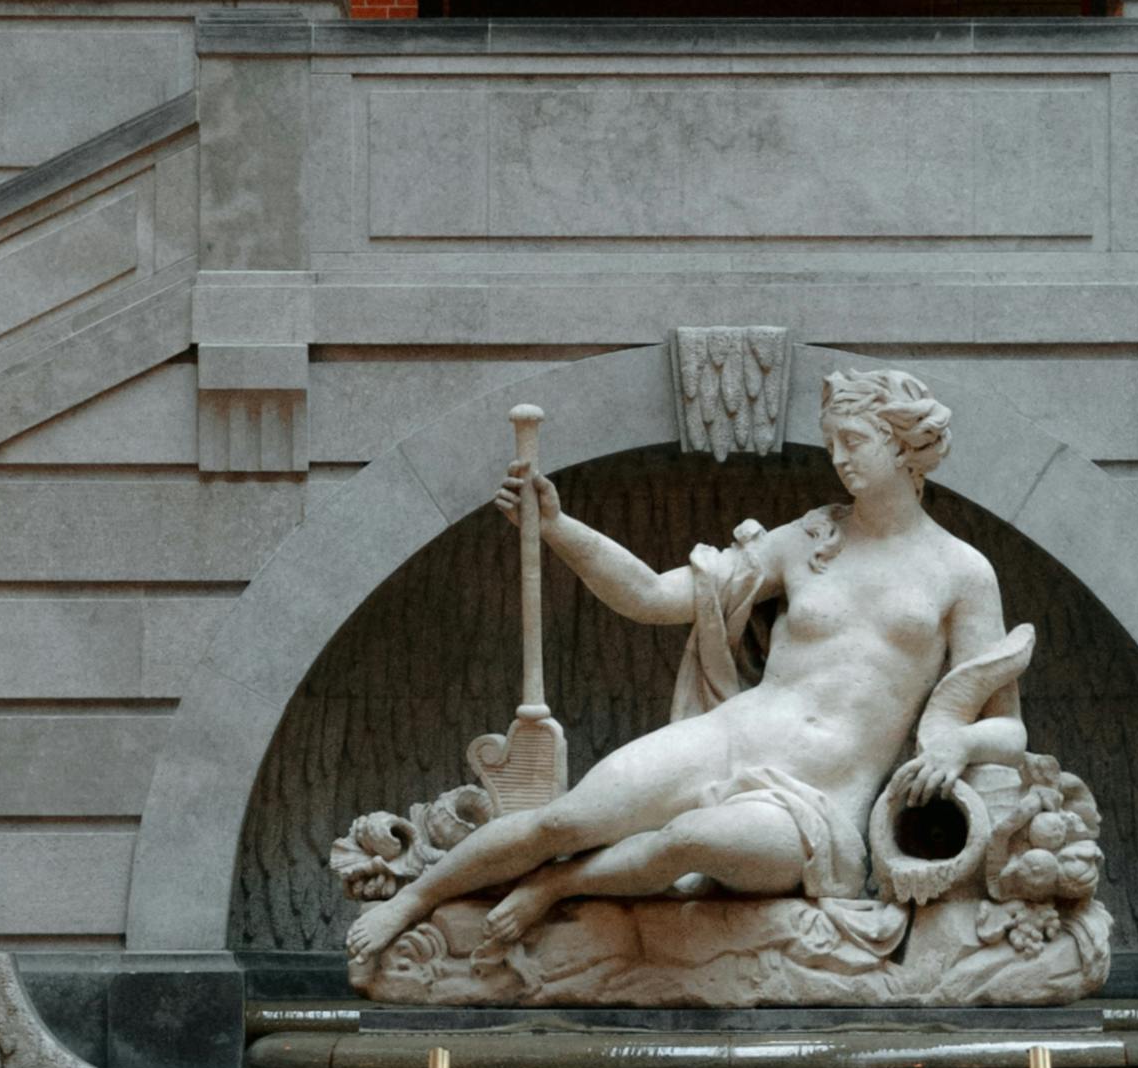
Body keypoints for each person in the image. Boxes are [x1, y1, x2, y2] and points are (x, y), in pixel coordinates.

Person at [345, 361, 1032, 973]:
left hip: (817, 803)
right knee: (565, 821)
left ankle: (558, 886)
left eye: (853, 443)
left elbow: (1008, 732)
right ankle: (414, 900)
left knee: (691, 839)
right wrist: (558, 528)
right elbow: (653, 597)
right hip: (733, 736)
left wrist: (961, 743)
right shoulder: (808, 540)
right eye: (831, 444)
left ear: (904, 445)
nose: (838, 460)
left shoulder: (961, 572)